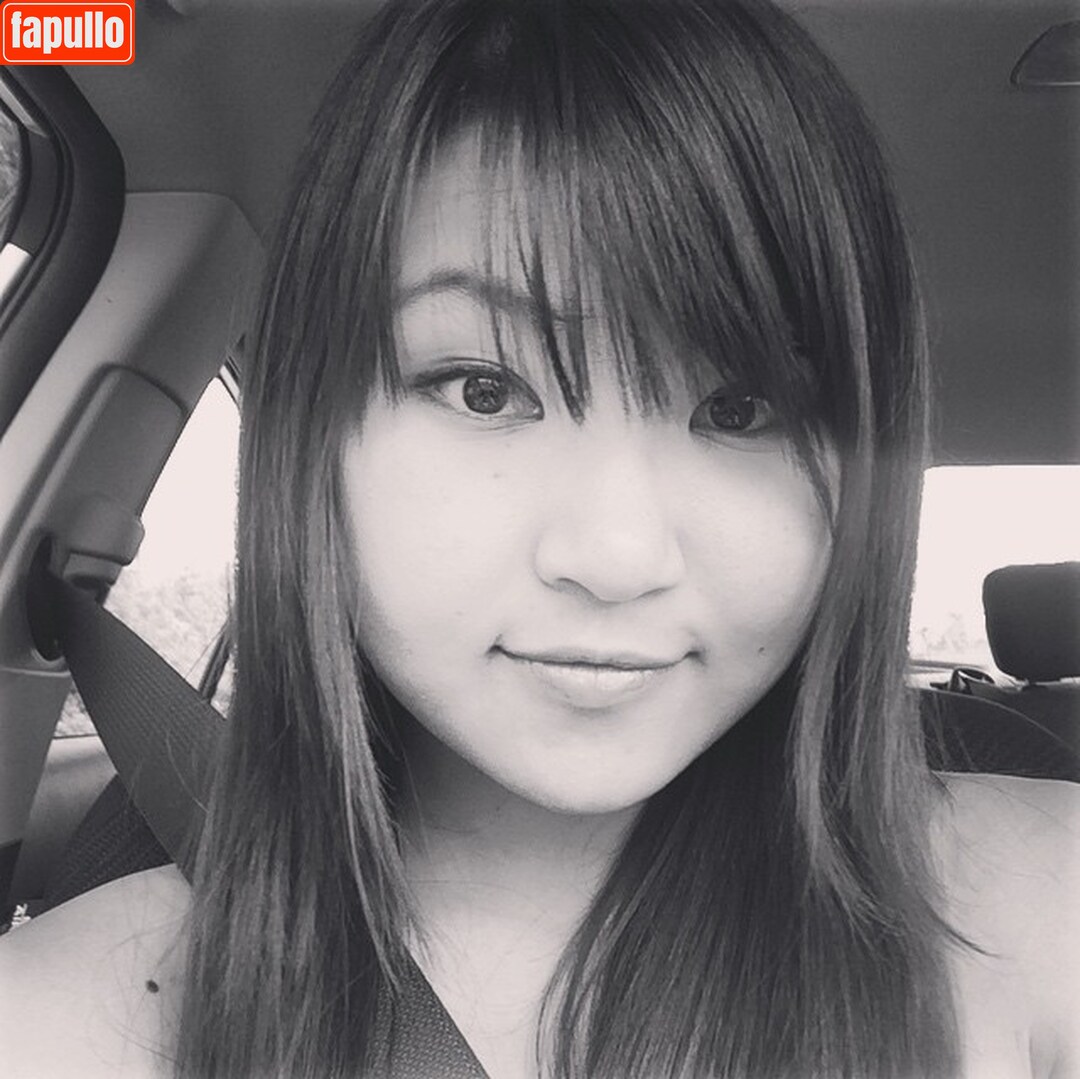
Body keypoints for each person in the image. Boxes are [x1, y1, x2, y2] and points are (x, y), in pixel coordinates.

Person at [2, 1, 1077, 1076]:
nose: (617, 557)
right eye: (484, 388)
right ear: (311, 435)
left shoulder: (1037, 899)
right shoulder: (66, 1017)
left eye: (740, 410)